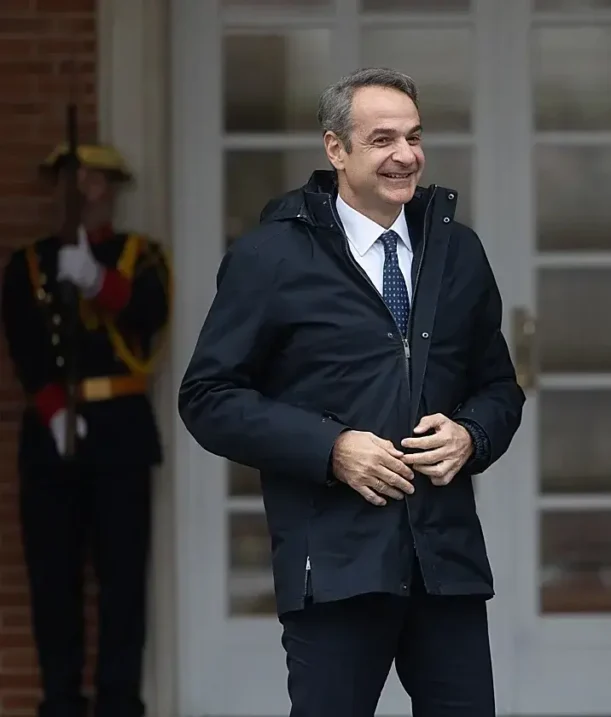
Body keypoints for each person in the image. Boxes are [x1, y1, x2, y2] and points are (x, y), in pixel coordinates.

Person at [177, 67, 524, 717]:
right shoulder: (272, 257)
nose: (405, 155)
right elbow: (207, 396)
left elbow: (499, 387)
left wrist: (471, 435)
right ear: (336, 149)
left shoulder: (459, 253)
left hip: (443, 563)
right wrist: (330, 447)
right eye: (383, 139)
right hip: (334, 565)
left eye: (414, 137)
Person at [1, 143, 171, 717]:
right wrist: (53, 411)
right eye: (71, 181)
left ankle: (120, 703)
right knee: (54, 580)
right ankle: (61, 702)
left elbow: (150, 313)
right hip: (52, 436)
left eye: (94, 182)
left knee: (123, 582)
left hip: (120, 430)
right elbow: (26, 346)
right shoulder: (27, 264)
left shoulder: (139, 256)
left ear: (113, 190)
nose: (82, 192)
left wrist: (98, 283)